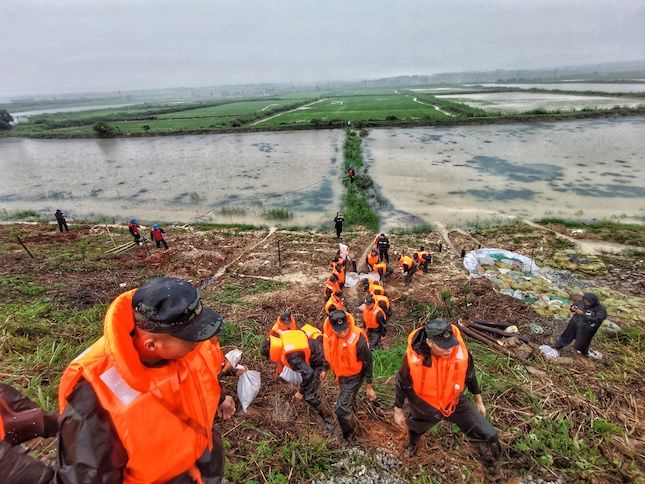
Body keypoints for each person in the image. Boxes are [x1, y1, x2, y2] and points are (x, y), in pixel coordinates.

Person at [0, 277, 236, 483]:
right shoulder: (94, 396)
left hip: (206, 466)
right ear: (152, 345)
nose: (204, 339)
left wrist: (222, 397)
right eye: (192, 336)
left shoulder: (193, 347)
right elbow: (88, 476)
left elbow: (205, 375)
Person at [394, 319, 501, 479]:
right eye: (444, 346)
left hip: (453, 401)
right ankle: (413, 444)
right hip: (424, 403)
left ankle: (492, 473)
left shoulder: (460, 353)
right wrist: (398, 409)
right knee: (416, 428)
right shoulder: (413, 358)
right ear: (429, 342)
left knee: (489, 434)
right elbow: (402, 380)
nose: (450, 349)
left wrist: (478, 401)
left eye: (451, 343)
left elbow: (470, 375)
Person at [261, 326, 334, 431]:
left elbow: (309, 374)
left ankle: (330, 420)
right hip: (317, 350)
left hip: (321, 361)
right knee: (306, 385)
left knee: (309, 395)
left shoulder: (292, 356)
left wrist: (300, 392)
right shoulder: (283, 337)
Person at [322, 310, 375, 441]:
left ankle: (350, 434)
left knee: (341, 409)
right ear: (332, 328)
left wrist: (369, 386)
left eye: (344, 329)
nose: (343, 333)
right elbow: (330, 353)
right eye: (339, 331)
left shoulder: (358, 340)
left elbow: (368, 362)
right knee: (347, 402)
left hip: (354, 377)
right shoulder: (329, 335)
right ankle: (353, 411)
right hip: (341, 376)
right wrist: (325, 369)